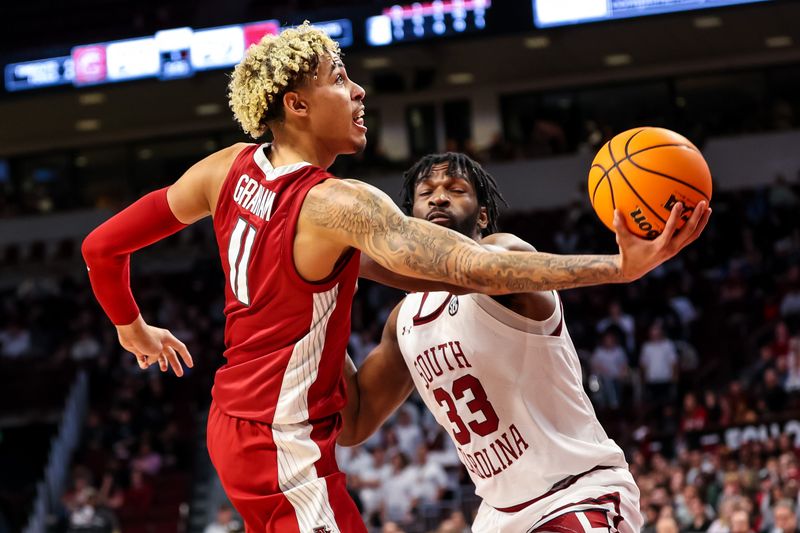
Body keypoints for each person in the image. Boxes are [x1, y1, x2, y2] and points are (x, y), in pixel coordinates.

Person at [81, 23, 710, 533]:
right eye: (340, 79)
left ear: (485, 212)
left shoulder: (227, 169)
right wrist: (617, 268)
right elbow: (462, 266)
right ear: (296, 104)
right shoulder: (339, 209)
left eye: (456, 188)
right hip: (282, 440)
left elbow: (102, 246)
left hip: (250, 424)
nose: (358, 92)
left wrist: (129, 326)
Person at [338, 152, 707, 531]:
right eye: (426, 192)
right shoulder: (404, 319)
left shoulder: (508, 254)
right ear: (412, 218)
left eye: (456, 189)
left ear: (482, 214)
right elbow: (354, 421)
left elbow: (473, 272)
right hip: (499, 515)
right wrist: (319, 308)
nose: (439, 198)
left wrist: (340, 254)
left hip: (574, 495)